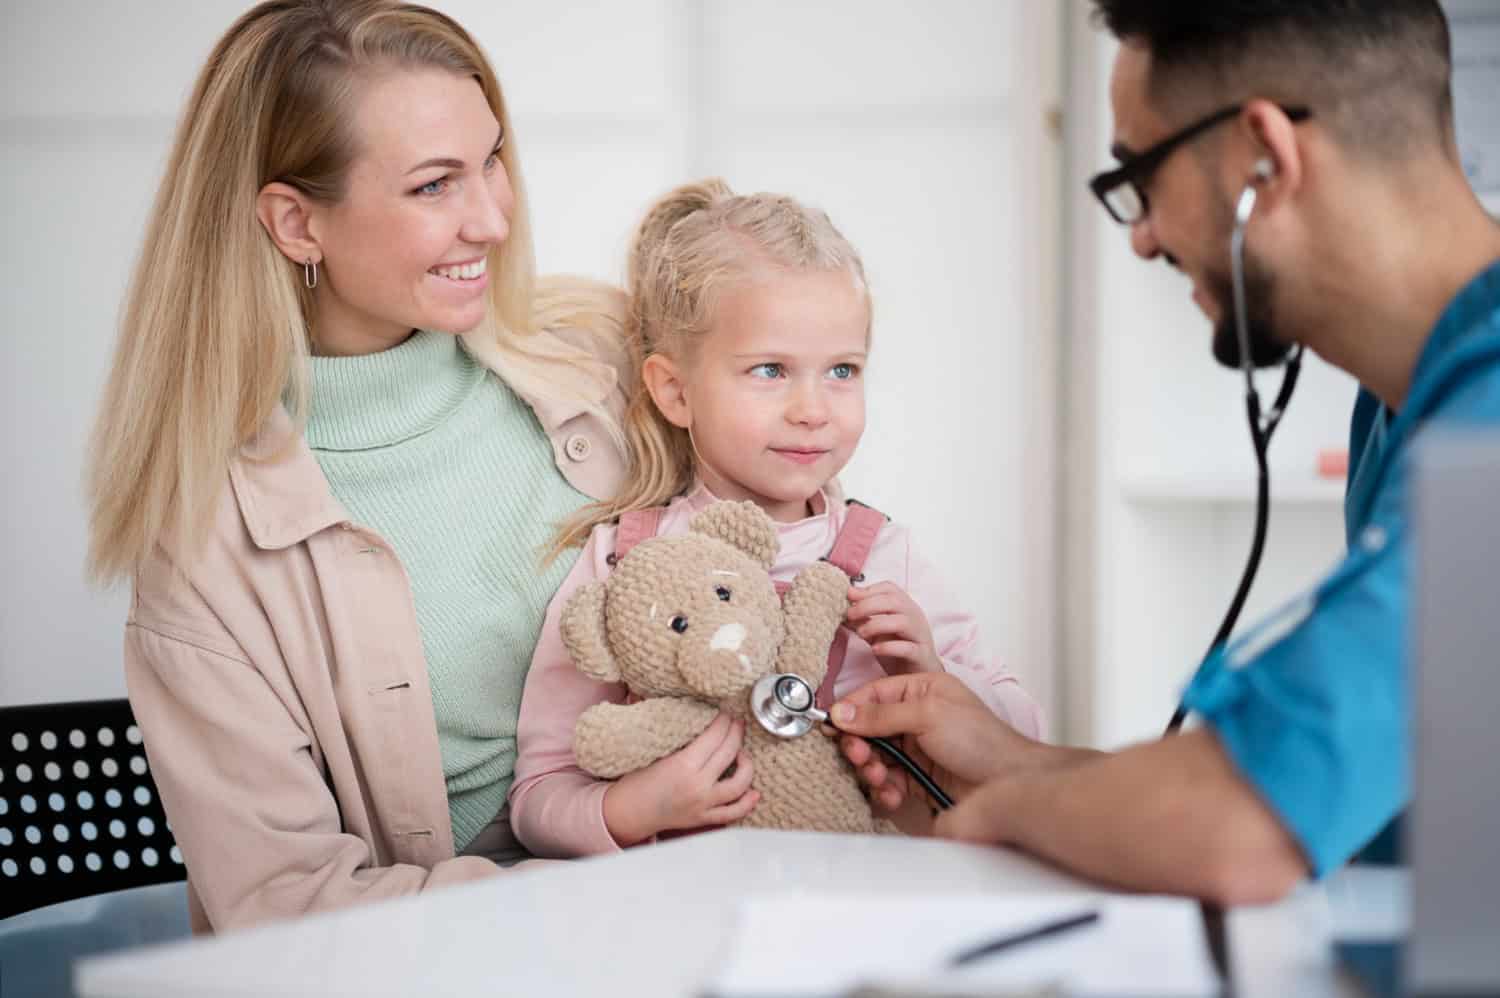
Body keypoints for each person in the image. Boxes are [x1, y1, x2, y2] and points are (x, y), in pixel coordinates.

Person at [831, 0, 1500, 905]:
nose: (1142, 235)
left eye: (1141, 178)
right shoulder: (1405, 405)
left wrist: (999, 813)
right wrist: (1013, 759)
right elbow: (1338, 797)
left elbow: (1243, 828)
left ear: (1267, 152)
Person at [84, 0, 634, 932]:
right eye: (434, 186)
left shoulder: (608, 360)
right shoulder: (199, 541)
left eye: (491, 160)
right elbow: (290, 903)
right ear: (297, 223)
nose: (493, 219)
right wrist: (612, 904)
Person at [508, 179, 1044, 857]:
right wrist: (632, 808)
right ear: (674, 390)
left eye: (843, 371)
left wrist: (939, 678)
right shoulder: (622, 562)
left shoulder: (885, 558)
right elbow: (539, 792)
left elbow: (1024, 738)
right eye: (770, 370)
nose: (814, 409)